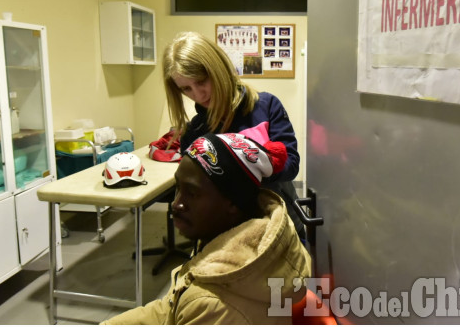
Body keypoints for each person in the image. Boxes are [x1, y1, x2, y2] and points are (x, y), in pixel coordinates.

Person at [101, 133, 311, 324]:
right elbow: (170, 308)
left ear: (232, 202)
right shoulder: (225, 240)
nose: (176, 204)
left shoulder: (212, 305)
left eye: (191, 193)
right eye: (178, 188)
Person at [163, 31, 306, 237]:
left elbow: (291, 165)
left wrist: (246, 162)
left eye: (202, 81)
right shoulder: (193, 134)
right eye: (186, 88)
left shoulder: (266, 106)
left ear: (219, 69)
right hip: (226, 237)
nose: (198, 94)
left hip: (281, 226)